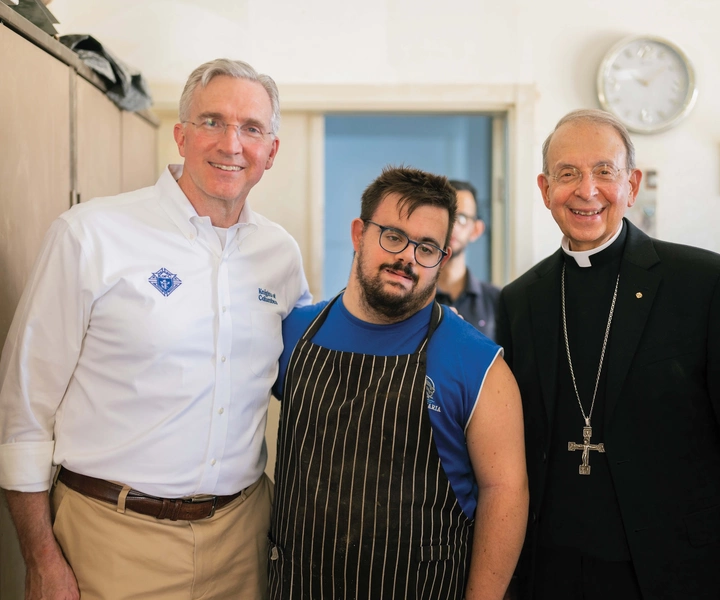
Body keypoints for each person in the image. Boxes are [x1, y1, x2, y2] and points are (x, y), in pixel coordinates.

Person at [0, 58, 311, 599]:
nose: (231, 144)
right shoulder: (89, 235)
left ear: (272, 151)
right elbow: (23, 412)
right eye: (212, 121)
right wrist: (40, 557)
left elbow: (309, 366)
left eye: (252, 128)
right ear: (182, 135)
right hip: (109, 537)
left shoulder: (279, 255)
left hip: (242, 542)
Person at [497, 109, 720, 599]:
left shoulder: (706, 285)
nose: (586, 190)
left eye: (604, 172)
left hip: (677, 575)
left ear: (631, 185)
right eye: (568, 174)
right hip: (555, 575)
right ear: (545, 190)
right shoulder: (521, 300)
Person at [268, 166, 528, 600]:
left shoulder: (478, 363)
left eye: (427, 247)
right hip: (296, 585)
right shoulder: (292, 334)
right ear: (359, 234)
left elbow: (506, 490)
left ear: (442, 259)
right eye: (392, 236)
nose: (407, 256)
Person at [436, 179, 501, 340]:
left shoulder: (497, 301)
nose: (452, 226)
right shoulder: (413, 296)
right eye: (446, 215)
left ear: (476, 230)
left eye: (462, 218)